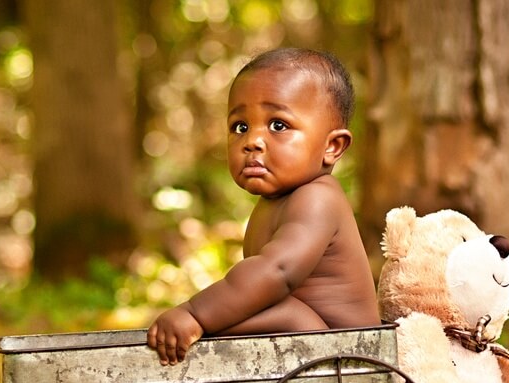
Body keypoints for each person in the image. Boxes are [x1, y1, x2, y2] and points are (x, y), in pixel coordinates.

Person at [147, 48, 380, 365]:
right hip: (312, 342)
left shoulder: (318, 198)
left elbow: (277, 272)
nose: (252, 141)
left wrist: (195, 313)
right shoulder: (275, 202)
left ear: (332, 146)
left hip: (344, 353)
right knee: (251, 304)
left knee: (262, 304)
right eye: (240, 127)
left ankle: (199, 327)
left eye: (278, 125)